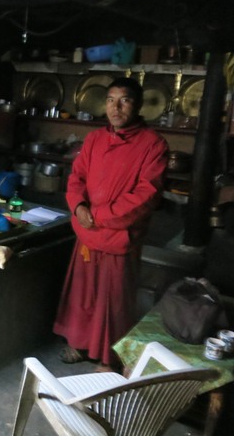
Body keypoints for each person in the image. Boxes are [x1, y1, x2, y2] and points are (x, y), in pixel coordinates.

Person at [53, 77, 169, 368]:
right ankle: (80, 344)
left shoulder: (153, 145)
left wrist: (100, 216)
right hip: (87, 232)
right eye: (110, 100)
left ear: (139, 105)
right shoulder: (94, 139)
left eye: (125, 100)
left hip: (119, 236)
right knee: (83, 295)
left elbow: (147, 194)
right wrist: (79, 206)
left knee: (113, 302)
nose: (115, 108)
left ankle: (108, 356)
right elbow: (76, 178)